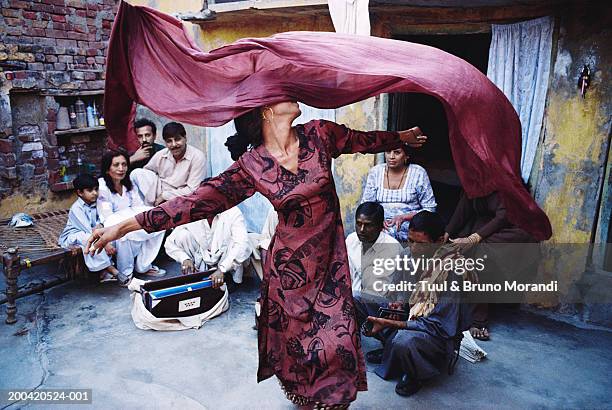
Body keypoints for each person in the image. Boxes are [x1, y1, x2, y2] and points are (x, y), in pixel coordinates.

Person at [86, 101, 427, 408]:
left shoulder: (319, 134)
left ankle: (334, 400)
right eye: (281, 94)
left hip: (330, 263)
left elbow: (363, 140)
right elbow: (193, 203)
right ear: (265, 111)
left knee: (336, 340)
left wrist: (401, 136)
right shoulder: (252, 165)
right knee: (297, 344)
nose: (291, 95)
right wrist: (124, 226)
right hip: (289, 268)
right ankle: (305, 394)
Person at [365, 210, 474, 397]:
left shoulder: (452, 270)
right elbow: (397, 289)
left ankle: (416, 372)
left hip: (436, 334)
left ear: (439, 241)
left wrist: (390, 323)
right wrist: (398, 303)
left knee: (403, 340)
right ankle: (392, 351)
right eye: (410, 240)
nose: (413, 248)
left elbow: (438, 326)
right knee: (359, 299)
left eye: (421, 244)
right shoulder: (407, 255)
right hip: (410, 316)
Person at [444, 191, 537, 341]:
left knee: (482, 255)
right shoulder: (473, 182)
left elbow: (504, 216)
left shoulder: (504, 183)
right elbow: (464, 209)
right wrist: (446, 233)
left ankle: (478, 321)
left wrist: (473, 239)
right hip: (482, 228)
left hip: (512, 228)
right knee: (457, 251)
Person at [346, 201, 406, 364]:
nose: (362, 230)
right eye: (358, 224)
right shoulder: (351, 240)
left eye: (368, 225)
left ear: (381, 226)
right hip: (358, 297)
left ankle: (388, 344)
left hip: (385, 304)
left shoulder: (391, 248)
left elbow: (378, 291)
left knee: (355, 296)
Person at [97, 150, 166, 285]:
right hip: (112, 225)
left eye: (124, 164)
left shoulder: (129, 183)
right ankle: (126, 273)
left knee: (159, 221)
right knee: (124, 233)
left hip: (131, 220)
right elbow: (107, 217)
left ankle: (143, 265)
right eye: (116, 165)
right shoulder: (102, 186)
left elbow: (139, 207)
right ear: (107, 169)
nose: (121, 169)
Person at [164, 206, 252, 291]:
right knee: (182, 235)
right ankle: (198, 275)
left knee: (239, 244)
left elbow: (242, 245)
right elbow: (170, 243)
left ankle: (227, 276)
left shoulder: (232, 212)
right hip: (203, 256)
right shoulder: (191, 210)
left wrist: (222, 269)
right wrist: (185, 258)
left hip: (226, 260)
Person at [361, 144, 436, 242]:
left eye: (397, 152)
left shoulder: (418, 172)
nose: (391, 156)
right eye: (388, 151)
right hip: (380, 223)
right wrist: (377, 220)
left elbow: (430, 209)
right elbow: (366, 205)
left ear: (406, 155)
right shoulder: (376, 172)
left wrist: (403, 217)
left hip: (410, 224)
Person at [58, 174, 120, 283]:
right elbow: (87, 229)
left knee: (110, 233)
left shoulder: (97, 203)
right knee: (87, 239)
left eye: (96, 189)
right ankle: (112, 269)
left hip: (94, 232)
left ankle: (104, 272)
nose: (95, 193)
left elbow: (103, 219)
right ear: (80, 192)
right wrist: (105, 244)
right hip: (74, 235)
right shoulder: (76, 208)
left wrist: (101, 226)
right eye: (90, 190)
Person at [130, 121, 206, 206]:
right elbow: (146, 172)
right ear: (165, 142)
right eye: (169, 141)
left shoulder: (197, 157)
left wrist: (165, 196)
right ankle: (151, 208)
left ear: (185, 138)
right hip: (159, 192)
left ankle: (156, 209)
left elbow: (193, 189)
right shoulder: (161, 155)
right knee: (137, 173)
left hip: (181, 197)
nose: (174, 144)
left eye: (177, 139)